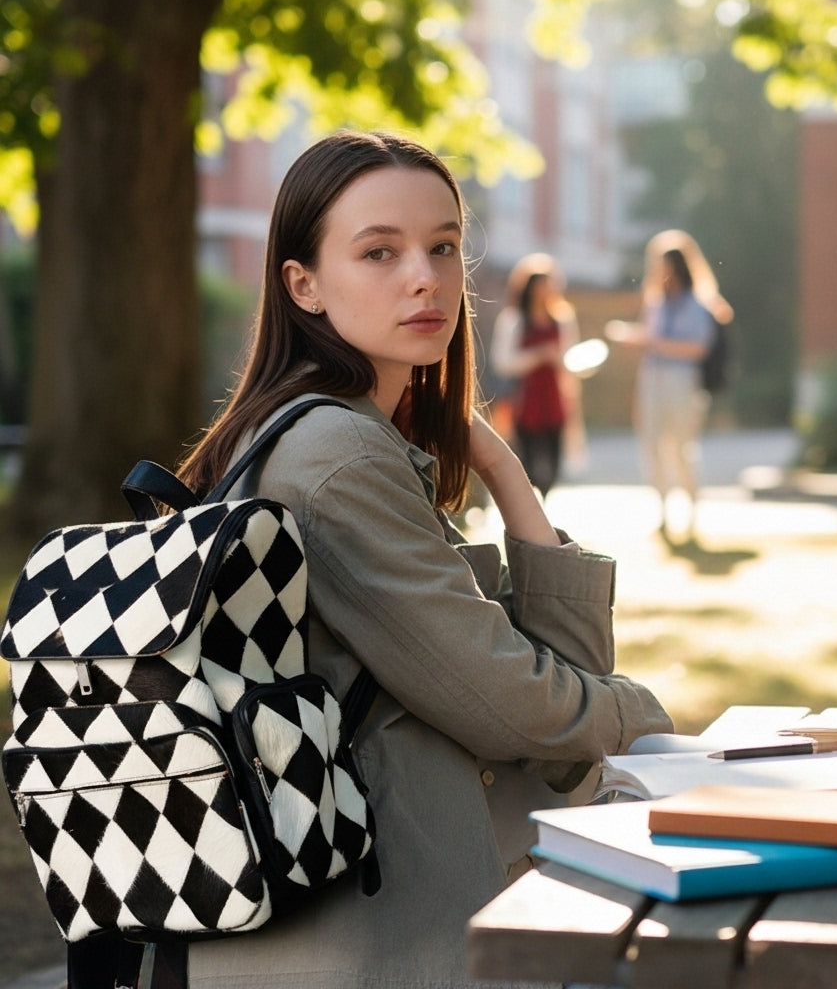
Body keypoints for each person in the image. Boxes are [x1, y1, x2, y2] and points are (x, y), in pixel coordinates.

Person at [174, 131, 672, 989]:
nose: (426, 277)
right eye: (380, 251)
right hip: (384, 945)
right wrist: (649, 718)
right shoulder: (337, 457)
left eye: (444, 246)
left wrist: (503, 468)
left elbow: (552, 679)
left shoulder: (341, 435)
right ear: (304, 285)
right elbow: (522, 710)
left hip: (394, 920)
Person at [606, 229, 733, 543]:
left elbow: (697, 347)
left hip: (682, 381)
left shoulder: (698, 304)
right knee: (651, 445)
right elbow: (652, 339)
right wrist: (634, 338)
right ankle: (662, 511)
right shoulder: (656, 302)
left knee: (680, 448)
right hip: (653, 379)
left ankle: (691, 512)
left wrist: (651, 341)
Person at [488, 253, 582, 498]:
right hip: (524, 399)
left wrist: (558, 361)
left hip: (554, 398)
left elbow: (571, 359)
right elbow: (502, 361)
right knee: (527, 460)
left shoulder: (562, 320)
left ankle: (546, 505)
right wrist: (537, 356)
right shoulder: (514, 320)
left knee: (554, 459)